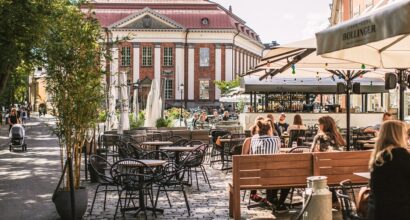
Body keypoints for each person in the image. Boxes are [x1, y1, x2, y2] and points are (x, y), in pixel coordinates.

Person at [367, 120, 410, 220]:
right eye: (405, 133)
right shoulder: (400, 155)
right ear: (397, 135)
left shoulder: (380, 156)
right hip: (398, 212)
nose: (407, 137)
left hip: (377, 211)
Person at [247, 119, 289, 213]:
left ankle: (272, 199)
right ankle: (280, 203)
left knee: (272, 172)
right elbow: (277, 154)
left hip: (257, 176)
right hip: (272, 176)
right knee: (287, 176)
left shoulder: (253, 139)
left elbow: (251, 154)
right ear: (269, 130)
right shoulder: (275, 139)